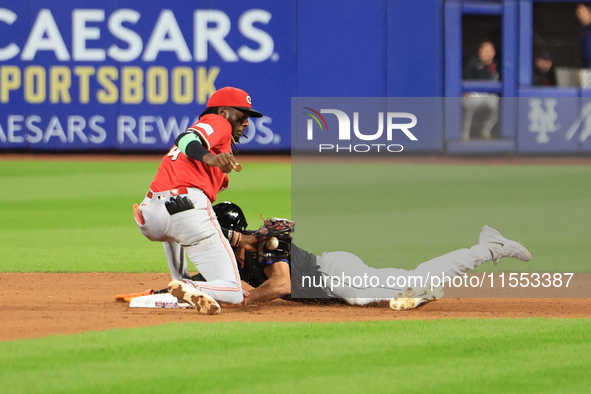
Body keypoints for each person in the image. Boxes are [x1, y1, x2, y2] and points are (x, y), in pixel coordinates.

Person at [193, 202, 533, 311]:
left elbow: (281, 285)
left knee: (381, 291)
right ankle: (417, 293)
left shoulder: (269, 240)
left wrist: (244, 300)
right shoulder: (232, 257)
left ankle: (487, 247)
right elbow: (208, 282)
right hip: (332, 286)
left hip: (336, 275)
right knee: (401, 295)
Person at [133, 87, 263, 315]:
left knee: (179, 225)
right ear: (223, 112)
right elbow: (186, 138)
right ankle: (186, 286)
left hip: (151, 215)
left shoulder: (217, 147)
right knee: (233, 291)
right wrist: (210, 158)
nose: (246, 122)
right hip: (185, 209)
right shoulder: (218, 122)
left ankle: (178, 284)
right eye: (241, 116)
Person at [462, 40, 500, 141]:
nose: (487, 54)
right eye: (485, 51)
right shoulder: (473, 64)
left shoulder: (496, 66)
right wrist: (466, 92)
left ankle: (485, 131)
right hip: (474, 95)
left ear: (494, 53)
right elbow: (465, 80)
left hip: (488, 95)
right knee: (470, 105)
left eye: (490, 51)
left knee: (499, 104)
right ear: (480, 52)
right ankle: (465, 132)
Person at [576, 3, 591, 87]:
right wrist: (582, 69)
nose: (579, 15)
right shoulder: (582, 31)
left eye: (581, 12)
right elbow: (583, 52)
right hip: (586, 68)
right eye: (578, 13)